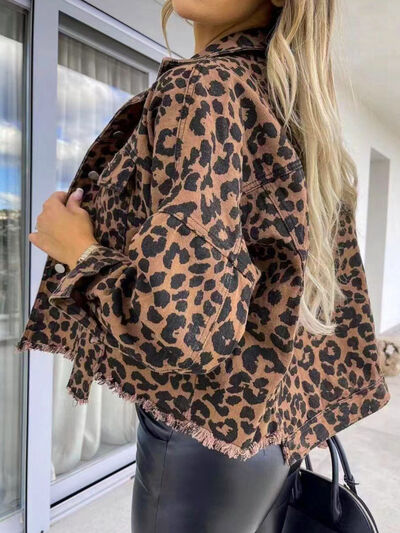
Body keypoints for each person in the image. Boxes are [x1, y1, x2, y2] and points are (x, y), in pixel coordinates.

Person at [15, 0, 390, 532]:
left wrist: (77, 249)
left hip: (202, 436)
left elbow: (182, 327)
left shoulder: (203, 89)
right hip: (262, 429)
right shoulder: (282, 103)